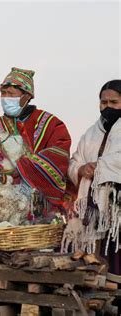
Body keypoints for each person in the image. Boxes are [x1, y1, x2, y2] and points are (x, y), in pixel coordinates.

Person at [0, 67, 71, 226]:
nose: (5, 98)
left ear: (26, 96)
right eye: (3, 93)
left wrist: (22, 166)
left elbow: (59, 156)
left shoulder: (51, 124)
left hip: (39, 212)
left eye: (11, 94)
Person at [65, 79, 120, 275]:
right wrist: (81, 170)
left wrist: (101, 166)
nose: (108, 107)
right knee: (92, 261)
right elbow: (74, 161)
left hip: (117, 213)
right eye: (103, 102)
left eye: (114, 103)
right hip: (91, 211)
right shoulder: (90, 133)